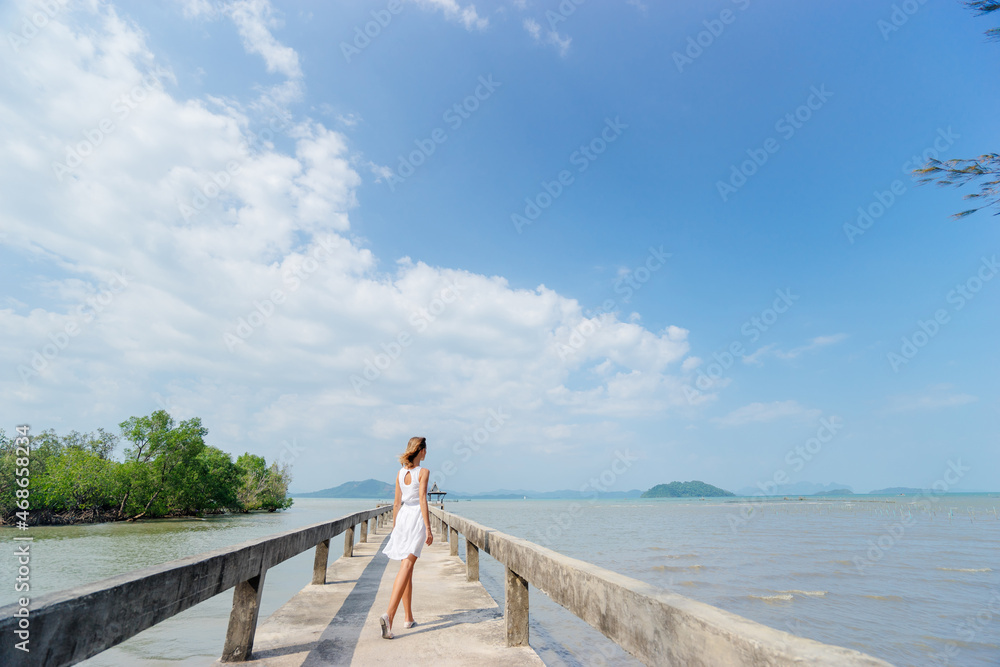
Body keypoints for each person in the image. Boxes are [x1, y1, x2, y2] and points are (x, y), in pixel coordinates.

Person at [379, 436, 433, 639]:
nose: (426, 453)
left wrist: (395, 528)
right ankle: (389, 615)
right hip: (416, 518)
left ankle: (408, 617)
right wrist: (428, 528)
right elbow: (422, 500)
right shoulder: (424, 472)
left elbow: (395, 503)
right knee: (408, 566)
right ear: (421, 451)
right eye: (425, 450)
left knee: (406, 568)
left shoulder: (400, 473)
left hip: (402, 518)